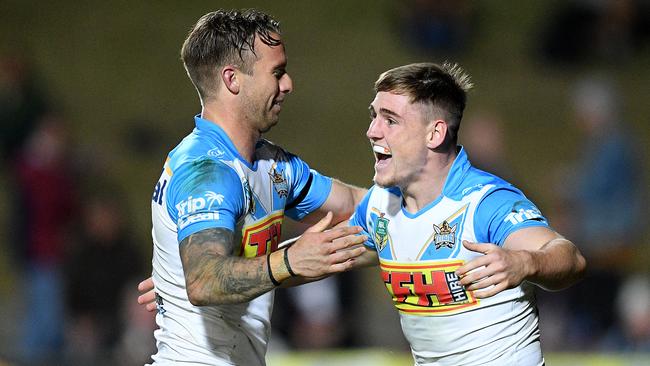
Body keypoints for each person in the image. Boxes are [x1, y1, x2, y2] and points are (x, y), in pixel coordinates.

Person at [145, 9, 367, 365]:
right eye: (276, 73)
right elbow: (203, 281)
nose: (288, 83)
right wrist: (290, 260)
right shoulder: (206, 171)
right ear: (233, 80)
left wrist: (438, 210)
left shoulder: (274, 166)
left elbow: (359, 207)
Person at [345, 62, 586, 365]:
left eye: (390, 120)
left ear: (434, 134)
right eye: (374, 116)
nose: (372, 131)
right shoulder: (380, 204)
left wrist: (525, 262)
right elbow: (322, 254)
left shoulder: (484, 201)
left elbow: (571, 258)